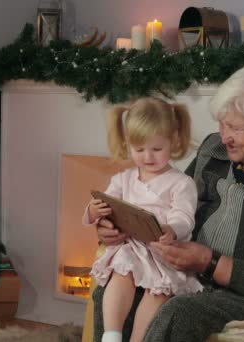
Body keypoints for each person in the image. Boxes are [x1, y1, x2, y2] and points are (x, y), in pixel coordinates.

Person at [92, 64, 244, 342]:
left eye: (235, 128)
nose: (224, 136)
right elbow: (168, 207)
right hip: (188, 278)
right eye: (221, 123)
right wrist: (117, 227)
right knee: (111, 288)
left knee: (179, 312)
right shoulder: (213, 150)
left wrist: (209, 263)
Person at [83, 97, 203, 342]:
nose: (148, 157)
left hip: (162, 252)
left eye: (156, 149)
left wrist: (172, 228)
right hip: (131, 247)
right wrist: (96, 213)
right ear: (128, 145)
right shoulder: (123, 179)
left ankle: (139, 339)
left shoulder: (181, 183)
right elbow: (107, 206)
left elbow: (184, 217)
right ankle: (112, 335)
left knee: (157, 292)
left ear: (174, 141)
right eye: (139, 150)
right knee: (121, 270)